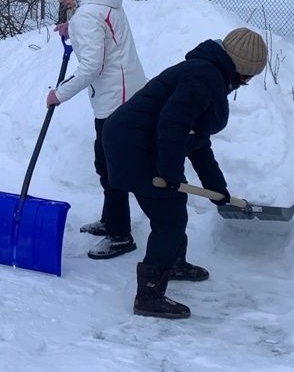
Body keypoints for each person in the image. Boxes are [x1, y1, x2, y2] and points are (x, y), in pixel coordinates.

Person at [102, 27, 268, 319]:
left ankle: (174, 262)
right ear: (242, 72)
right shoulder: (205, 78)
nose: (246, 83)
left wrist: (218, 188)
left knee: (173, 207)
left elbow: (197, 142)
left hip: (135, 138)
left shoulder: (210, 73)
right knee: (169, 218)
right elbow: (173, 126)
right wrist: (169, 173)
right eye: (249, 78)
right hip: (133, 144)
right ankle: (149, 296)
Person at [40, 0, 146, 259]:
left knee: (113, 167)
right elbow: (99, 32)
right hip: (126, 92)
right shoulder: (101, 0)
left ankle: (120, 235)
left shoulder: (87, 15)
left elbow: (90, 68)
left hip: (115, 100)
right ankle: (111, 219)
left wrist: (58, 94)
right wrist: (70, 28)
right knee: (107, 162)